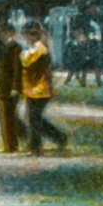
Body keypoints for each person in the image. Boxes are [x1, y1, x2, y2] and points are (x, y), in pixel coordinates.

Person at [21, 22, 68, 156]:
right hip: (31, 88)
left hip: (40, 89)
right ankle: (53, 140)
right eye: (27, 34)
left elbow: (41, 69)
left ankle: (40, 145)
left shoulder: (41, 49)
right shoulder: (31, 48)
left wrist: (50, 88)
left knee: (34, 118)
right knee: (33, 118)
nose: (29, 37)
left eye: (33, 34)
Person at [0, 23, 27, 153]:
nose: (1, 36)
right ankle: (15, 142)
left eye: (3, 33)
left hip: (9, 88)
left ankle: (11, 146)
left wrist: (15, 87)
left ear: (10, 32)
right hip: (4, 87)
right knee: (8, 117)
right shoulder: (8, 46)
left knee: (8, 117)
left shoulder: (15, 47)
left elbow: (18, 69)